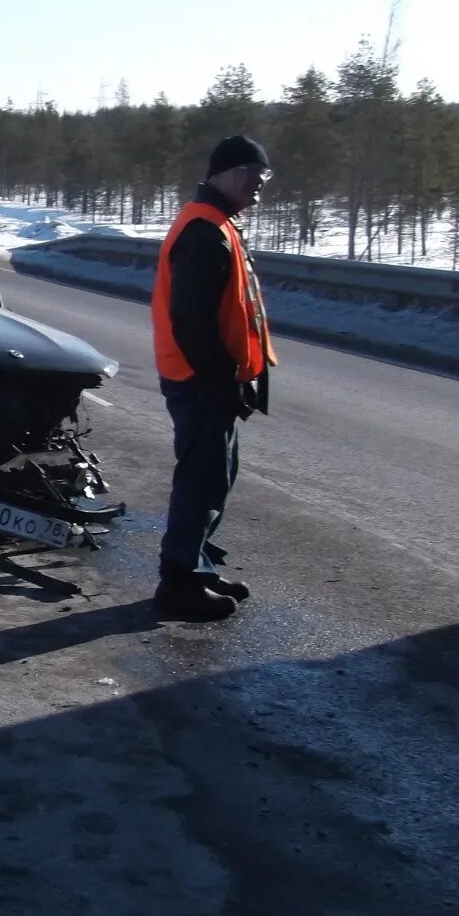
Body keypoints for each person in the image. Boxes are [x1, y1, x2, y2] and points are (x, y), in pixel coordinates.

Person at [151, 134, 277, 621]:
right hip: (199, 382)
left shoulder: (219, 224)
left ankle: (198, 566)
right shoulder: (204, 231)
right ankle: (178, 582)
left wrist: (238, 377)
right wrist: (219, 378)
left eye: (264, 179)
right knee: (201, 481)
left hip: (212, 382)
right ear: (228, 173)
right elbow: (191, 320)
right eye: (254, 176)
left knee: (216, 478)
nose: (260, 187)